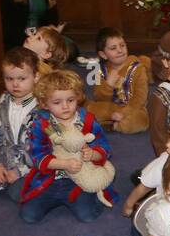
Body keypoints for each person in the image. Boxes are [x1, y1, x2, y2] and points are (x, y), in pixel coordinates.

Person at [19, 70, 117, 224]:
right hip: (50, 180)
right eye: (57, 102)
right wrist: (63, 164)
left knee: (87, 216)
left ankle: (96, 195)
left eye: (70, 100)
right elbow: (36, 156)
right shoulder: (41, 124)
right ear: (44, 103)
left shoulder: (88, 120)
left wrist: (93, 154)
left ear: (78, 98)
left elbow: (104, 147)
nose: (65, 106)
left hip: (80, 180)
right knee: (29, 216)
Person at [0, 48, 41, 204]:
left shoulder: (42, 106)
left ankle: (41, 184)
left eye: (22, 78)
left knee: (16, 194)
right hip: (7, 158)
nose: (15, 84)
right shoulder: (4, 101)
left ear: (36, 77)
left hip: (33, 162)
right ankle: (7, 175)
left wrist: (20, 171)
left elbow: (41, 146)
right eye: (9, 78)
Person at [84, 28, 150, 134]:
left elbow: (140, 98)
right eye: (113, 48)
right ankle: (110, 120)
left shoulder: (138, 68)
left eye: (122, 45)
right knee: (88, 108)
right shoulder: (98, 69)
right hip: (111, 107)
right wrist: (108, 85)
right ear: (103, 55)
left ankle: (113, 125)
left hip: (132, 108)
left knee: (140, 121)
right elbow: (98, 97)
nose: (120, 50)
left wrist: (123, 113)